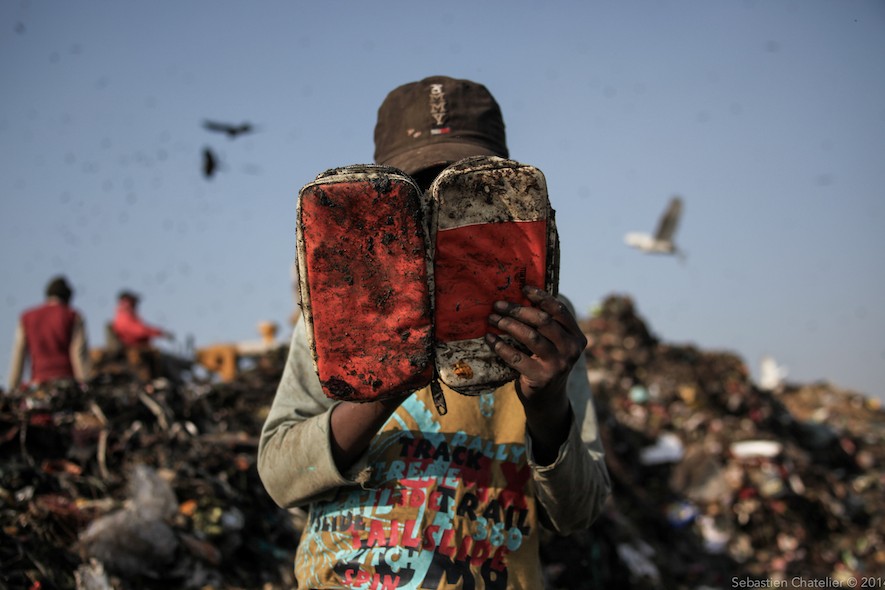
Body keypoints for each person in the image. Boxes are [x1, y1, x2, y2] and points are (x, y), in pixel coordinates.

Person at [258, 76, 611, 589]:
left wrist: (548, 403)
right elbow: (279, 475)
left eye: (462, 193)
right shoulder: (338, 318)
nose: (434, 215)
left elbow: (579, 511)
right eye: (419, 190)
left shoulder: (543, 331)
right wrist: (383, 384)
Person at [7, 275, 91, 392]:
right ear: (67, 298)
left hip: (38, 386)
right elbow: (78, 354)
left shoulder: (27, 317)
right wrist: (86, 386)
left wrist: (13, 388)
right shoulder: (73, 316)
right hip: (65, 385)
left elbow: (19, 355)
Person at [111, 290, 173, 381]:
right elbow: (138, 331)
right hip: (133, 348)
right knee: (164, 361)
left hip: (137, 347)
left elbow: (141, 329)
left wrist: (158, 332)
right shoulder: (123, 317)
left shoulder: (129, 316)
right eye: (133, 301)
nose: (135, 304)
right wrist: (159, 333)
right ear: (125, 301)